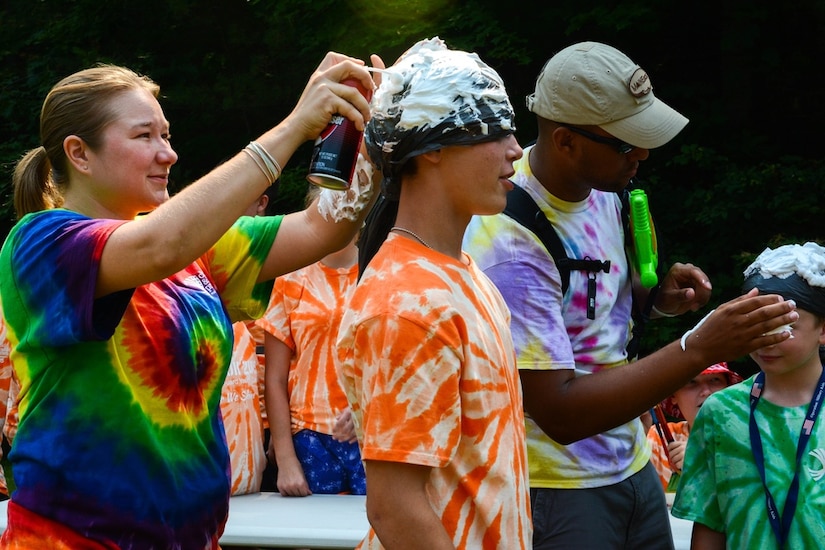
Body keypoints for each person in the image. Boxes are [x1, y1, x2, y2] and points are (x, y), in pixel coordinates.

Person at [0, 54, 378, 548]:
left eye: (167, 135)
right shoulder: (41, 243)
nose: (168, 154)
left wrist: (370, 125)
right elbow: (161, 246)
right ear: (80, 153)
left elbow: (323, 227)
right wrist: (293, 127)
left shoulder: (193, 245)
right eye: (144, 136)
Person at [461, 40, 798, 548]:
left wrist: (658, 300)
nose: (641, 153)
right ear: (566, 142)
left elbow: (597, 320)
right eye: (625, 142)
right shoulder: (509, 241)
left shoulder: (610, 193)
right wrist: (701, 347)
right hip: (556, 483)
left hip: (632, 462)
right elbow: (561, 414)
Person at [337, 37, 532, 548]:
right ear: (434, 148)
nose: (516, 149)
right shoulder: (406, 304)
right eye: (496, 130)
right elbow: (395, 509)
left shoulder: (462, 275)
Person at [672, 242, 825, 549]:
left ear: (823, 330)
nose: (767, 337)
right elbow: (709, 525)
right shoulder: (720, 412)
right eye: (755, 322)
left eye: (784, 324)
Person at [257, 184, 365, 497]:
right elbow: (274, 379)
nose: (341, 216)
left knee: (374, 539)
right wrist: (286, 457)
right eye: (331, 208)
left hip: (370, 433)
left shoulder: (380, 273)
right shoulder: (291, 277)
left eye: (350, 206)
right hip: (309, 435)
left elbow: (399, 361)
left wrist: (367, 409)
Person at [647, 362, 742, 492]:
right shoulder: (658, 438)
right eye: (692, 382)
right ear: (673, 395)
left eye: (715, 380)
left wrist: (702, 461)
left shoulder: (749, 436)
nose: (706, 392)